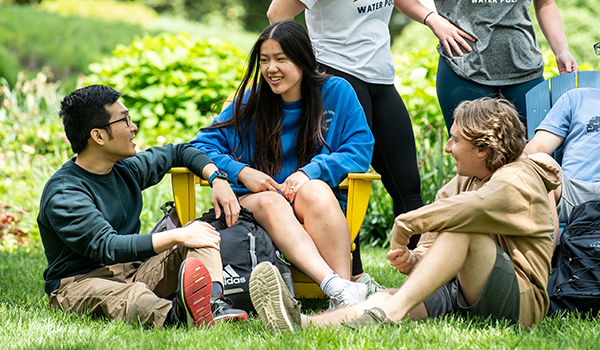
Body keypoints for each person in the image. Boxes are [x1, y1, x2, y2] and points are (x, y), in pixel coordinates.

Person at [249, 97, 561, 331]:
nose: (448, 148)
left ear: (483, 148)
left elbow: (471, 210)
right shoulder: (460, 183)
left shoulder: (520, 178)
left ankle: (393, 311)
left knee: (463, 227)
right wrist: (415, 259)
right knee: (387, 297)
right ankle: (302, 323)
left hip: (519, 303)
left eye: (456, 140)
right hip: (463, 288)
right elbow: (433, 244)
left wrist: (406, 222)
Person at [190, 20, 375, 308]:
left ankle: (344, 298)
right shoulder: (251, 101)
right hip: (260, 206)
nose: (270, 68)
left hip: (316, 203)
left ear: (302, 59)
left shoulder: (337, 92)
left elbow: (360, 149)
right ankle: (338, 286)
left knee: (314, 189)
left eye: (281, 59)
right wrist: (241, 171)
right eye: (264, 60)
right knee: (271, 202)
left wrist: (310, 172)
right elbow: (200, 145)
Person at [38, 84, 248, 328]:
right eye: (125, 120)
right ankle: (178, 314)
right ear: (98, 136)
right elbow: (108, 246)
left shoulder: (123, 169)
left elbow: (180, 151)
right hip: (81, 282)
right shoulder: (66, 192)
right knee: (133, 296)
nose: (133, 127)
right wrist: (178, 234)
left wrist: (217, 178)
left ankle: (212, 303)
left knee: (201, 234)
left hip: (133, 271)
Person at [266, 0, 425, 264]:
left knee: (407, 184)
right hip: (335, 71)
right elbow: (278, 13)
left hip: (381, 77)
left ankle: (424, 269)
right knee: (346, 182)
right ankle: (353, 272)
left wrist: (432, 18)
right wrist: (304, 70)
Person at [394, 0, 578, 131]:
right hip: (463, 68)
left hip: (525, 67)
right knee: (475, 162)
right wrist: (432, 19)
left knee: (537, 159)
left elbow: (545, 4)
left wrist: (562, 51)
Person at [523, 88, 600, 245]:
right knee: (541, 162)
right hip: (570, 192)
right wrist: (508, 159)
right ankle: (545, 264)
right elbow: (537, 148)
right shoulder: (577, 98)